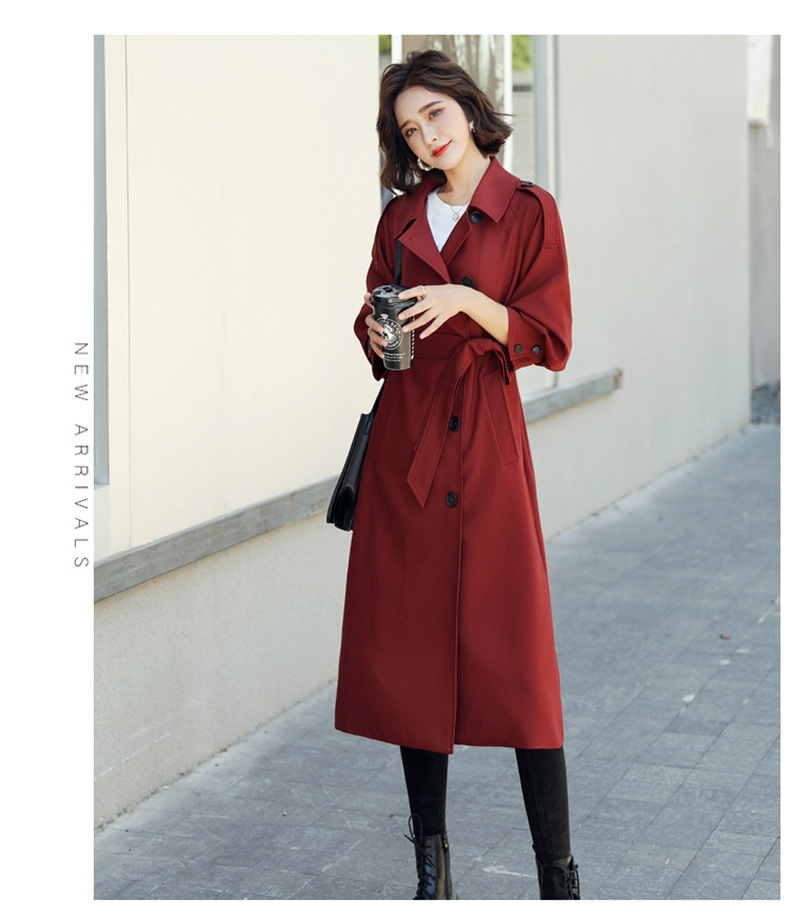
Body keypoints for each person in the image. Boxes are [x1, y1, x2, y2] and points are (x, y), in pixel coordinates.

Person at [334, 49, 578, 900]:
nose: (426, 137)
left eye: (434, 114)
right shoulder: (400, 218)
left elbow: (551, 336)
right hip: (407, 455)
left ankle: (558, 876)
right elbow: (376, 313)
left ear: (468, 108)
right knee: (412, 662)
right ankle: (432, 873)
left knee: (522, 664)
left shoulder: (528, 209)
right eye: (409, 129)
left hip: (486, 450)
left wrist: (470, 302)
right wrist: (372, 331)